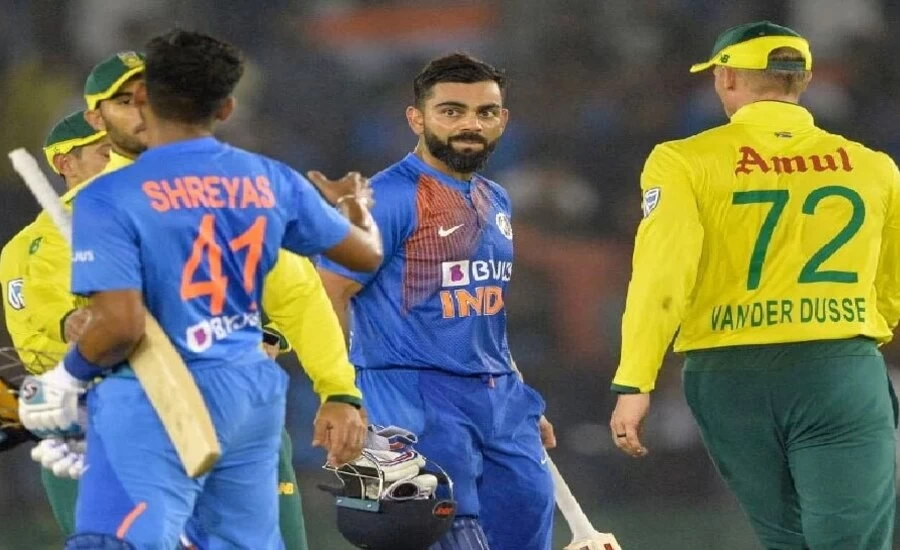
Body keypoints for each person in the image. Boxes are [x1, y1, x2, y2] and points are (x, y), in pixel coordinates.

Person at [18, 29, 381, 549]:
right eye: (125, 100)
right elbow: (344, 266)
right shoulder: (260, 180)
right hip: (244, 400)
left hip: (147, 413)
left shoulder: (106, 201)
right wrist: (355, 207)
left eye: (144, 97)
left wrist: (65, 378)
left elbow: (118, 323)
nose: (138, 110)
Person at [609, 21, 900, 550]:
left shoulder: (682, 161)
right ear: (802, 80)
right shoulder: (874, 168)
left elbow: (662, 274)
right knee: (851, 540)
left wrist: (636, 379)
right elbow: (891, 280)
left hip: (730, 375)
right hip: (838, 368)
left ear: (726, 78)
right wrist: (854, 338)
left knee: (784, 539)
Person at [318, 52, 556, 550]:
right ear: (417, 118)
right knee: (451, 532)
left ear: (502, 120)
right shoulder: (382, 200)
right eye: (451, 111)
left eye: (485, 112)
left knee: (528, 522)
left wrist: (517, 399)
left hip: (499, 399)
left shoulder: (495, 197)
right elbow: (328, 294)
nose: (471, 124)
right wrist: (343, 397)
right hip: (414, 397)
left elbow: (482, 310)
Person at [0, 112, 107, 535]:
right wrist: (70, 324)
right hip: (80, 419)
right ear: (66, 164)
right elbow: (32, 330)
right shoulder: (25, 247)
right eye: (106, 153)